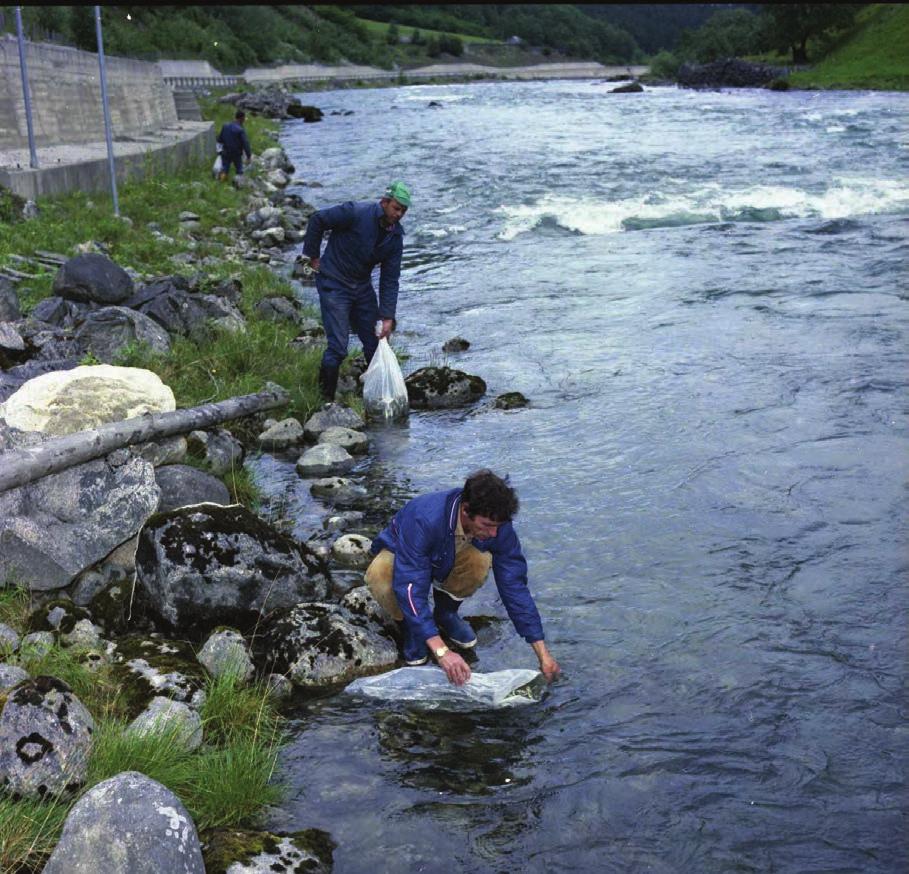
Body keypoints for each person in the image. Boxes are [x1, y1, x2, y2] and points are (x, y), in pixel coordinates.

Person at [365, 469, 561, 686]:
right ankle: (411, 627)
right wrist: (442, 651)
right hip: (402, 554)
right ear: (466, 510)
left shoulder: (496, 522)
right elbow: (410, 585)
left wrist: (542, 653)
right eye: (487, 526)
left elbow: (514, 586)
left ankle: (446, 613)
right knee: (382, 576)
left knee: (480, 561)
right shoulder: (424, 518)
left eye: (498, 527)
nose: (494, 534)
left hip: (449, 554)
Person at [301, 181, 410, 402]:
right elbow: (318, 220)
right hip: (334, 283)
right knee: (338, 347)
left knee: (376, 342)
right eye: (396, 208)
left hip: (361, 286)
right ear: (384, 202)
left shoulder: (395, 237)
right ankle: (324, 401)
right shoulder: (355, 212)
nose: (399, 214)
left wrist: (387, 316)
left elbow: (390, 279)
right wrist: (313, 256)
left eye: (403, 211)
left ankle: (376, 397)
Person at [216, 110, 252, 181]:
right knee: (239, 169)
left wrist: (219, 150)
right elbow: (246, 143)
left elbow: (220, 139)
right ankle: (238, 184)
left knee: (225, 168)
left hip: (225, 151)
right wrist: (248, 156)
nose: (244, 121)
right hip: (236, 153)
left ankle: (220, 182)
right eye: (244, 119)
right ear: (241, 119)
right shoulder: (240, 130)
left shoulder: (225, 126)